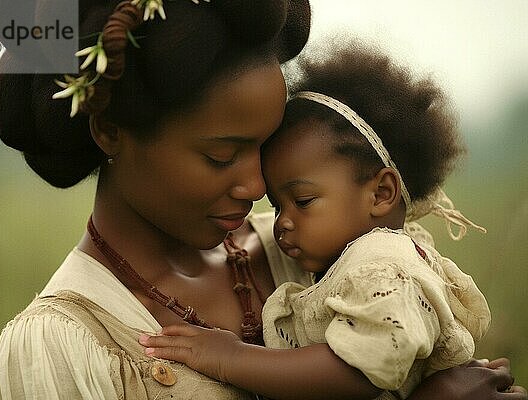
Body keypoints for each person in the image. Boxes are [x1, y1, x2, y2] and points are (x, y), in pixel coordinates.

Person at [0, 0, 525, 397]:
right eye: (223, 157)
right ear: (108, 132)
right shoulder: (60, 347)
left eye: (266, 149)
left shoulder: (326, 251)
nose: (256, 186)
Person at [138, 42, 528, 399]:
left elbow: (354, 371)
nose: (282, 223)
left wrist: (230, 358)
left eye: (303, 201)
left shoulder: (384, 269)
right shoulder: (353, 262)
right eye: (277, 206)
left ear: (381, 194)